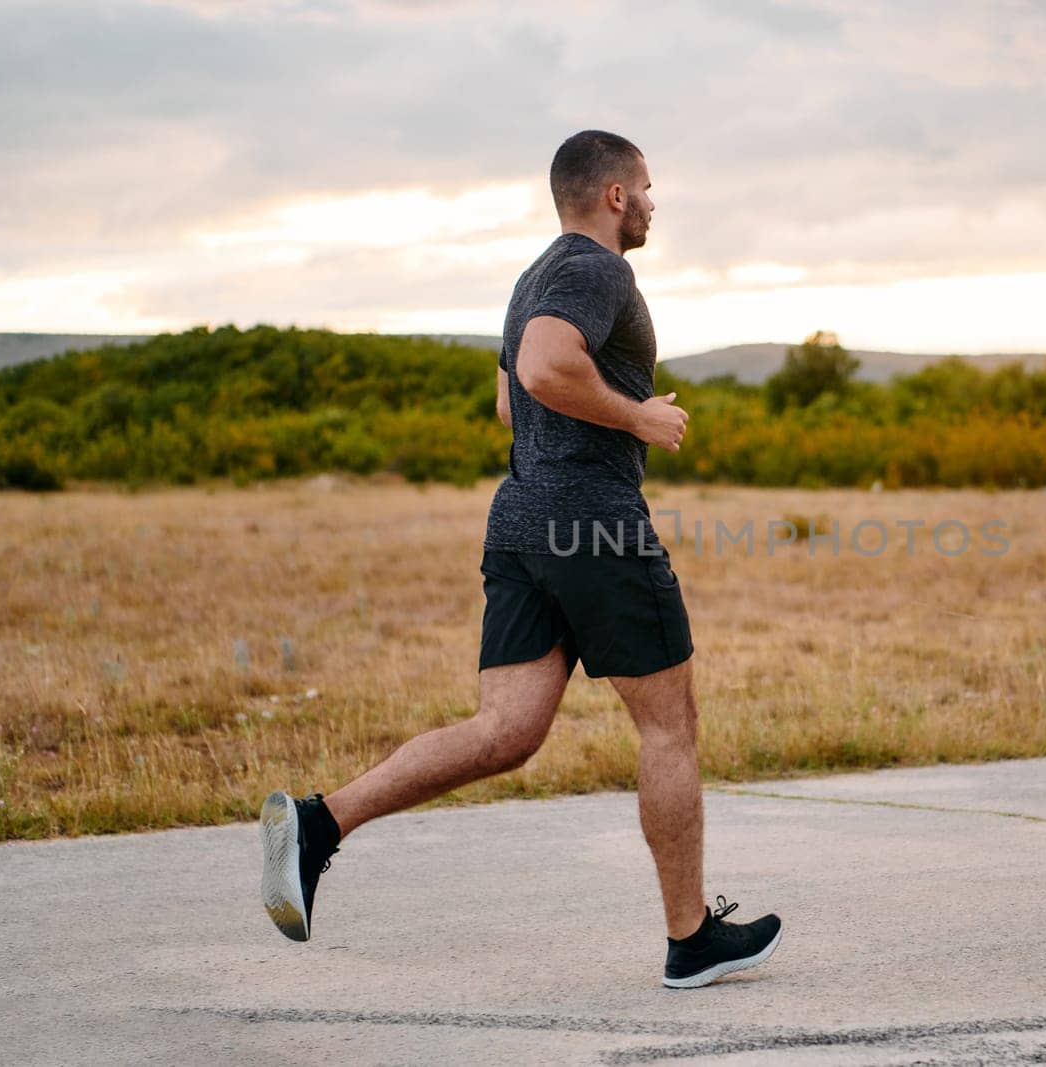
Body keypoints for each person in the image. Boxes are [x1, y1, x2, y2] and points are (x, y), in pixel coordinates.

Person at [258, 129, 782, 989]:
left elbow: (511, 399)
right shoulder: (598, 269)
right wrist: (640, 416)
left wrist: (585, 407)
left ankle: (320, 823)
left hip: (522, 523)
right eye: (647, 188)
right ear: (614, 194)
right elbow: (540, 370)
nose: (653, 203)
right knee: (669, 724)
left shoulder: (532, 276)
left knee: (505, 732)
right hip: (595, 527)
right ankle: (690, 937)